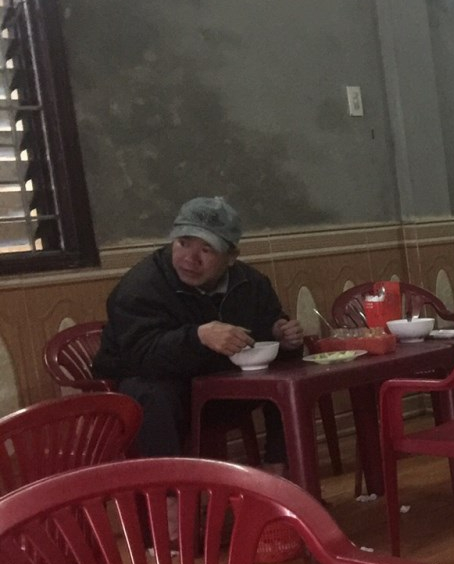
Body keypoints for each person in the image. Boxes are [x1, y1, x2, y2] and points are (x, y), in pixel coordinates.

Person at [93, 197, 304, 461]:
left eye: (206, 249)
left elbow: (264, 327)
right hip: (151, 388)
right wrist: (199, 337)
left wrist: (280, 334)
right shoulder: (140, 287)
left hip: (217, 384)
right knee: (151, 393)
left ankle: (278, 467)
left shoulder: (251, 283)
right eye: (183, 243)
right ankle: (168, 487)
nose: (190, 259)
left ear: (231, 257)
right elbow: (140, 354)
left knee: (286, 373)